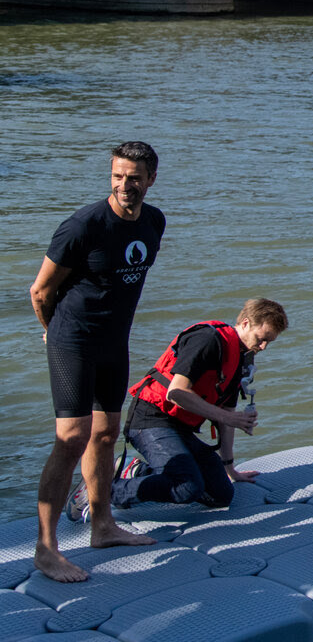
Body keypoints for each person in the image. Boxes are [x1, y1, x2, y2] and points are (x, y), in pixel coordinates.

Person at [30, 142, 165, 582]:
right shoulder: (83, 225)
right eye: (117, 176)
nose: (125, 185)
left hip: (114, 342)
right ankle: (45, 549)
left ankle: (103, 526)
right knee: (72, 438)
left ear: (150, 180)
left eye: (134, 178)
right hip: (73, 339)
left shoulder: (153, 222)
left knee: (105, 435)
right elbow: (40, 291)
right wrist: (52, 332)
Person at [109, 298, 288, 513]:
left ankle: (138, 471)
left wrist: (230, 468)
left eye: (270, 342)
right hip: (150, 420)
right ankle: (102, 492)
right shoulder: (207, 339)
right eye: (261, 339)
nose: (264, 347)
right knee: (186, 487)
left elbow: (226, 414)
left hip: (180, 428)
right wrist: (228, 418)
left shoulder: (240, 359)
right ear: (246, 323)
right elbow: (176, 392)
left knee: (221, 495)